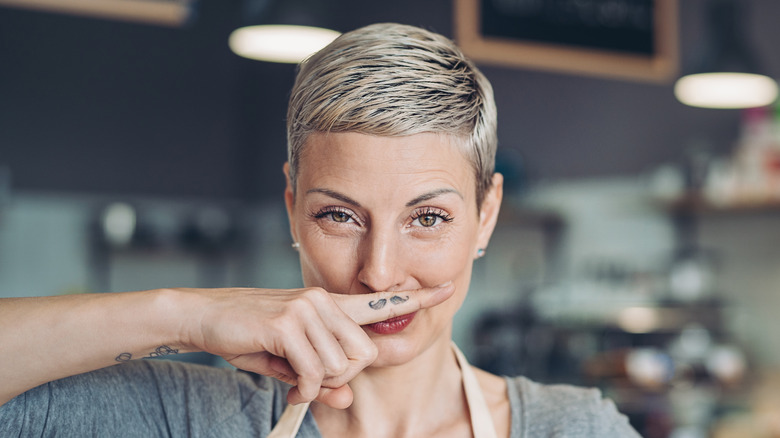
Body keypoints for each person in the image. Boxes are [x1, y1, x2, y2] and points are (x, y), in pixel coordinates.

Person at [0, 23, 639, 437]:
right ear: (291, 209)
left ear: (487, 215)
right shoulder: (191, 418)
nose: (379, 271)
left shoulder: (574, 429)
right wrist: (186, 313)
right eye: (339, 215)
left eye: (428, 218)